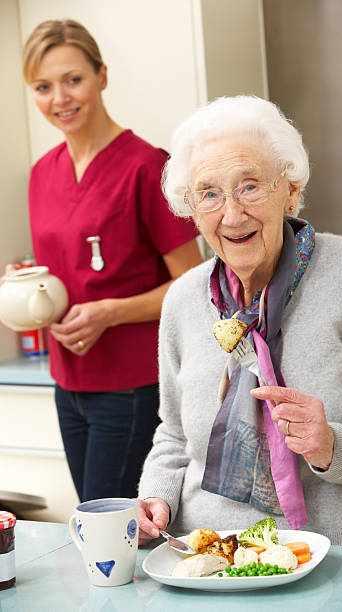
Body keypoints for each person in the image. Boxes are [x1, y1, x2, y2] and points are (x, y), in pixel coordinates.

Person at [136, 95, 342, 548]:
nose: (232, 214)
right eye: (209, 194)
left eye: (249, 186)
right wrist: (156, 498)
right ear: (193, 210)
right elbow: (174, 433)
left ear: (291, 190)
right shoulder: (183, 299)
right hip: (212, 554)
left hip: (333, 553)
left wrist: (332, 445)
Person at [16, 19, 202, 503]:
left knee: (113, 533)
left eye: (72, 79)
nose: (60, 98)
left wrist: (109, 312)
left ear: (102, 75)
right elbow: (65, 273)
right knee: (99, 531)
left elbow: (196, 284)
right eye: (43, 86)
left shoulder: (146, 166)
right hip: (67, 383)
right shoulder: (42, 174)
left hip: (131, 387)